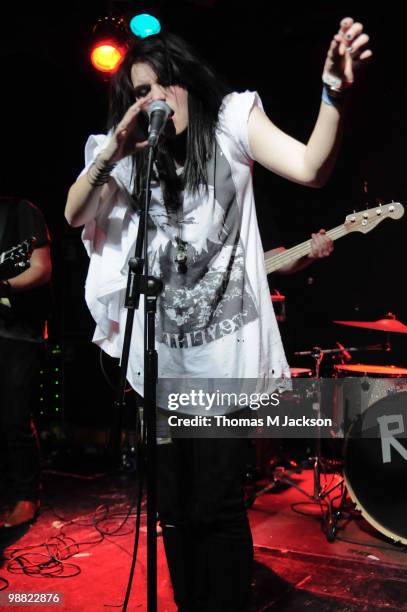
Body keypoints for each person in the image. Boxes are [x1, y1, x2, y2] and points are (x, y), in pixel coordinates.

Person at [65, 16, 371, 611]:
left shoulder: (231, 121)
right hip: (163, 362)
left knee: (218, 505)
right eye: (137, 93)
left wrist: (332, 94)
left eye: (158, 86)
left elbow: (310, 166)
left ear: (186, 82)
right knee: (175, 513)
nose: (149, 101)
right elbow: (78, 212)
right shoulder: (126, 156)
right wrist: (114, 151)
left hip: (222, 360)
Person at [0, 197, 52, 529]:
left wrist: (5, 284)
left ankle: (26, 496)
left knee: (14, 416)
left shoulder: (22, 213)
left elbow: (41, 268)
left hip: (19, 331)